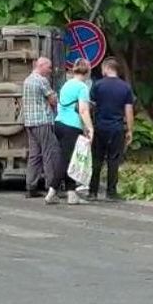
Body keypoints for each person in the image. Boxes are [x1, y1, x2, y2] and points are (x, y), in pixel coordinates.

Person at [89, 57, 134, 202]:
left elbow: (91, 106)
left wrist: (89, 126)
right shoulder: (125, 87)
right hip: (117, 128)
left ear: (107, 68)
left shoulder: (97, 85)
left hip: (100, 126)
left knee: (97, 159)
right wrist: (130, 130)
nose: (102, 71)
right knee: (114, 160)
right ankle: (111, 192)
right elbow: (129, 111)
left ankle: (92, 192)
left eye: (102, 69)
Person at [53, 59, 94, 205]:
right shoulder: (82, 87)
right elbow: (83, 110)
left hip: (58, 123)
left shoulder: (67, 84)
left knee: (70, 159)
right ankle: (52, 191)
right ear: (88, 71)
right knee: (66, 160)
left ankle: (71, 194)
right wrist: (90, 128)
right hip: (71, 125)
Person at [22, 57, 60, 201]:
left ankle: (30, 186)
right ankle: (51, 187)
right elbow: (53, 100)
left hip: (30, 122)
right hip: (42, 121)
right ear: (42, 66)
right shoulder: (41, 81)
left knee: (34, 155)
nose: (50, 71)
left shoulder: (27, 80)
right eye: (49, 68)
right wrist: (55, 97)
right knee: (48, 153)